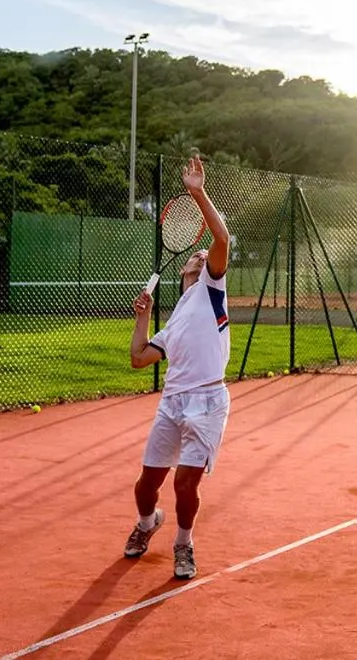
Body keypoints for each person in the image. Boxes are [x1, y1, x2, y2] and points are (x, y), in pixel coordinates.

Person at [124, 154, 232, 580]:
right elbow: (138, 358)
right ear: (186, 269)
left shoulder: (212, 290)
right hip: (172, 402)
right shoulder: (173, 322)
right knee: (146, 485)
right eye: (198, 255)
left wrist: (197, 192)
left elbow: (221, 238)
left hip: (208, 402)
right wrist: (142, 317)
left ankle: (184, 543)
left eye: (205, 255)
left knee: (185, 483)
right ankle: (148, 522)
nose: (202, 254)